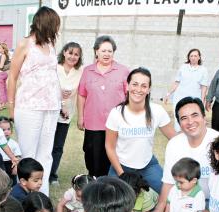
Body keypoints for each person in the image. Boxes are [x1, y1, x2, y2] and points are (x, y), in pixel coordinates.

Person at [7, 6, 61, 196]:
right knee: (28, 156)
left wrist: (60, 98)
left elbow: (52, 75)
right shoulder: (25, 44)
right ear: (45, 23)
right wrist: (11, 107)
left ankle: (41, 195)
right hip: (29, 107)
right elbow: (12, 77)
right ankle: (23, 196)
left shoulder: (51, 45)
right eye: (55, 25)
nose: (57, 29)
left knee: (46, 155)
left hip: (51, 107)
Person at [148, 97, 219, 212]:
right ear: (179, 123)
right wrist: (161, 207)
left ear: (204, 117)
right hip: (182, 197)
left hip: (213, 203)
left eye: (195, 115)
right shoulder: (175, 144)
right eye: (184, 118)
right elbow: (169, 182)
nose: (190, 122)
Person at [106, 67, 176, 193]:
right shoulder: (116, 113)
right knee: (112, 200)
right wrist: (122, 175)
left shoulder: (157, 111)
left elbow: (175, 138)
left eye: (144, 86)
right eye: (135, 84)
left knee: (169, 194)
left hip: (148, 165)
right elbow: (109, 147)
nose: (138, 89)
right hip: (121, 166)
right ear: (127, 86)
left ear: (148, 90)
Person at [78, 35, 129, 177]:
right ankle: (95, 184)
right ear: (96, 52)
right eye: (103, 51)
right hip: (93, 123)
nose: (107, 54)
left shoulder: (123, 71)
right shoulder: (87, 71)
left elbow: (129, 96)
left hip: (117, 124)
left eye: (110, 51)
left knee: (114, 159)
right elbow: (81, 94)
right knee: (92, 158)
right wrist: (80, 117)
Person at [49, 42, 84, 185]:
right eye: (70, 53)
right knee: (46, 144)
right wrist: (58, 93)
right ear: (64, 52)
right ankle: (40, 171)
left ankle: (52, 174)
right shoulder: (54, 68)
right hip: (50, 111)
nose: (72, 56)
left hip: (66, 115)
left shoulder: (81, 71)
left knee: (58, 146)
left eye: (76, 54)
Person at [164, 48, 208, 132]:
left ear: (199, 57)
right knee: (179, 119)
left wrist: (202, 101)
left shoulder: (203, 70)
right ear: (189, 57)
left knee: (192, 120)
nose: (193, 58)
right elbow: (176, 82)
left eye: (195, 56)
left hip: (194, 100)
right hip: (179, 98)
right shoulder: (183, 67)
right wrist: (168, 94)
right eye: (191, 56)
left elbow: (204, 87)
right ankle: (179, 136)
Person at [0, 116, 21, 186]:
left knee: (11, 183)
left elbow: (18, 156)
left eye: (8, 129)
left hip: (10, 164)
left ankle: (11, 195)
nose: (6, 132)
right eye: (3, 130)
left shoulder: (14, 143)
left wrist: (16, 167)